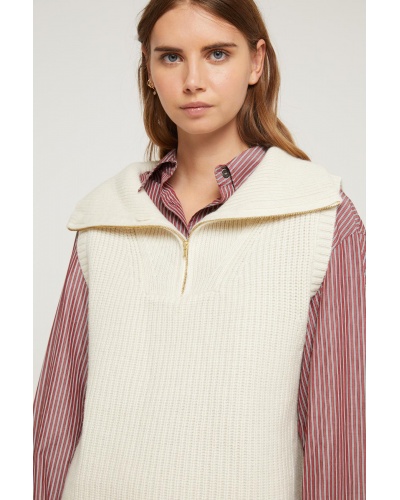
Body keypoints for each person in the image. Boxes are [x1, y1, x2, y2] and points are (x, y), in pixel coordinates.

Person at [33, 0, 366, 498]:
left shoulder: (321, 214)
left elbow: (338, 428)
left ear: (256, 62)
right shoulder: (104, 215)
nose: (192, 80)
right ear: (148, 69)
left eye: (217, 54)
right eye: (171, 57)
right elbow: (55, 420)